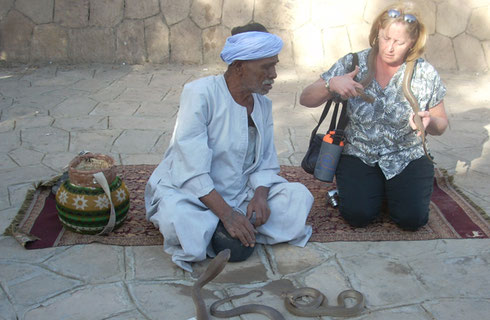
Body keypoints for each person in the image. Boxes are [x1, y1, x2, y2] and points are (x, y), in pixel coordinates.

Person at [145, 24, 314, 272]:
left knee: (298, 198)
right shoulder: (200, 93)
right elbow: (190, 168)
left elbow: (266, 161)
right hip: (193, 191)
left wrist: (260, 196)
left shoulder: (262, 104)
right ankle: (226, 227)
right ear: (239, 66)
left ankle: (222, 231)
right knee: (178, 218)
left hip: (241, 190)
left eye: (275, 65)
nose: (274, 74)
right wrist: (227, 214)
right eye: (266, 67)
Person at [299, 2, 448, 231]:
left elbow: (441, 124)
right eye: (386, 38)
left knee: (412, 220)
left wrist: (429, 123)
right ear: (378, 31)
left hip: (406, 155)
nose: (389, 47)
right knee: (358, 216)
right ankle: (372, 191)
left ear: (413, 43)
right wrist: (331, 84)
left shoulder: (425, 73)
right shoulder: (353, 62)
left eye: (399, 42)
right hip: (359, 153)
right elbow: (306, 98)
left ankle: (391, 193)